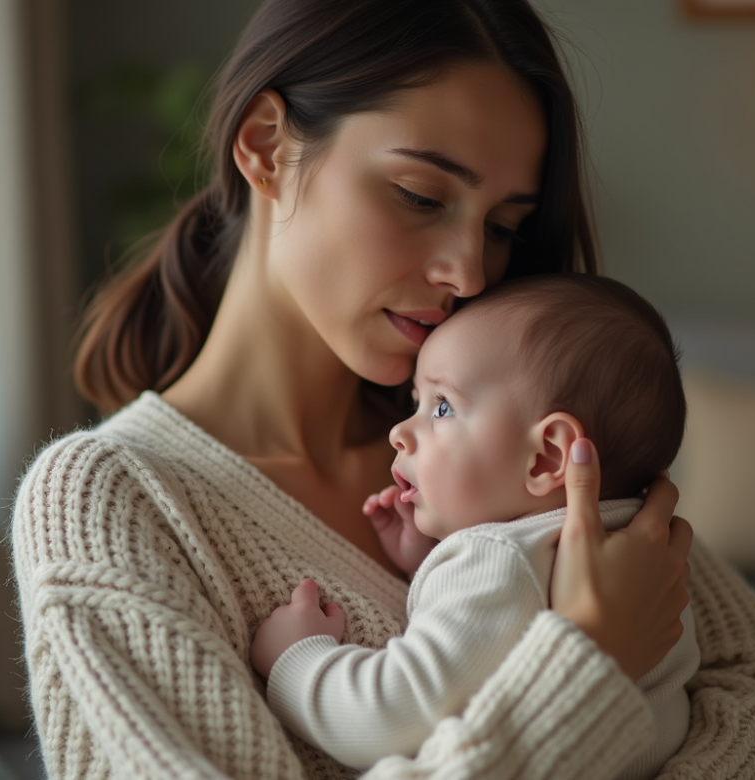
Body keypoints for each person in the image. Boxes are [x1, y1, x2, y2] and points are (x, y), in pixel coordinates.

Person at [10, 0, 755, 778]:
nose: (469, 271)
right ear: (266, 146)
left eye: (504, 227)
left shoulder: (500, 440)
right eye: (420, 196)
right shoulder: (114, 500)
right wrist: (589, 665)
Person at [250, 275, 700, 778]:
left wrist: (298, 659)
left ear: (546, 457)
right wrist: (429, 562)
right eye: (416, 402)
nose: (400, 432)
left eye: (442, 407)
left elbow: (388, 720)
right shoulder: (653, 560)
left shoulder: (492, 559)